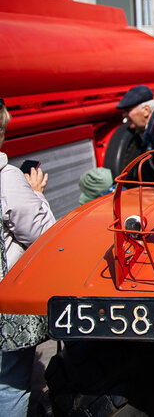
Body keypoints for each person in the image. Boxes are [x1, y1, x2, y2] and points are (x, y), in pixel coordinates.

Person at [0, 99, 56, 415]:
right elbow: (41, 235)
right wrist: (35, 193)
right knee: (9, 387)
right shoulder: (6, 177)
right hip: (4, 304)